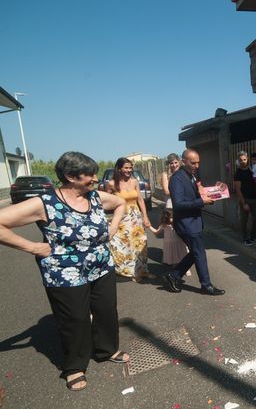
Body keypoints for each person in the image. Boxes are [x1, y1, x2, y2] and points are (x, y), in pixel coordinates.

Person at [0, 151, 128, 391]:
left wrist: (112, 227)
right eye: (89, 174)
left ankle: (107, 349)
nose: (95, 178)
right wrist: (32, 247)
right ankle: (75, 366)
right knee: (75, 319)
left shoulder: (96, 197)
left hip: (101, 265)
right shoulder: (44, 203)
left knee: (105, 310)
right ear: (70, 176)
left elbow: (120, 203)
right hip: (64, 272)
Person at [163, 149, 225, 296]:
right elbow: (178, 204)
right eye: (193, 163)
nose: (197, 166)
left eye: (198, 162)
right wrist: (200, 201)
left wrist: (207, 195)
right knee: (199, 252)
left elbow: (193, 196)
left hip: (193, 222)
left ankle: (173, 275)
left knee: (197, 252)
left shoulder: (190, 175)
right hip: (186, 223)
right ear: (184, 161)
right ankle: (206, 285)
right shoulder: (177, 179)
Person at [107, 157, 151, 282]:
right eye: (126, 167)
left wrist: (145, 216)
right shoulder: (111, 184)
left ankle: (142, 270)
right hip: (122, 218)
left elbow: (140, 200)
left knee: (140, 242)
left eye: (130, 167)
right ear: (119, 168)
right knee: (126, 244)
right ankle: (131, 272)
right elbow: (107, 202)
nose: (129, 170)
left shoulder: (134, 181)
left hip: (135, 217)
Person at [148, 208, 191, 276]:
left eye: (174, 217)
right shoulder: (164, 225)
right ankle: (176, 269)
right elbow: (156, 232)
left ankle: (187, 269)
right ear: (166, 218)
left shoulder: (177, 223)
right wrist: (149, 226)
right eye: (171, 217)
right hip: (169, 244)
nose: (173, 219)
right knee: (173, 257)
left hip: (179, 242)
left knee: (182, 255)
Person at [234, 151, 256, 246]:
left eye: (244, 159)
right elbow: (238, 189)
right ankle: (245, 238)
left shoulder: (251, 170)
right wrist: (243, 203)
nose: (243, 161)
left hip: (254, 198)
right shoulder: (238, 173)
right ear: (238, 160)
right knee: (244, 220)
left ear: (247, 159)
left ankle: (253, 235)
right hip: (244, 199)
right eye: (240, 160)